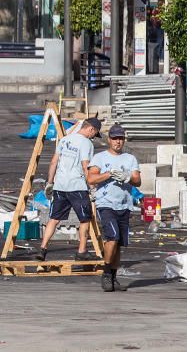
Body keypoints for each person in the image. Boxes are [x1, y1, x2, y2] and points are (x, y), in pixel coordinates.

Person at [35, 117, 101, 261]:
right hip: (77, 186)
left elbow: (53, 162)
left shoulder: (65, 140)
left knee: (54, 219)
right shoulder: (86, 143)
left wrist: (50, 182)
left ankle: (43, 249)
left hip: (60, 186)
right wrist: (92, 187)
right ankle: (82, 251)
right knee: (85, 219)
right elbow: (85, 166)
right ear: (91, 129)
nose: (94, 137)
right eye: (94, 134)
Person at [87, 124, 141, 292]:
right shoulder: (100, 158)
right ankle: (106, 272)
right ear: (109, 140)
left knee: (119, 244)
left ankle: (114, 276)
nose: (118, 142)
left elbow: (137, 180)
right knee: (113, 238)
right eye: (115, 138)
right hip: (106, 203)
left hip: (124, 204)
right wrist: (108, 174)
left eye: (121, 138)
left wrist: (127, 178)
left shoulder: (130, 158)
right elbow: (91, 178)